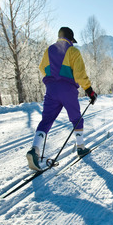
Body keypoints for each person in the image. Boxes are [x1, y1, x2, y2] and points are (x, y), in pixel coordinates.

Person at [26, 27, 97, 171]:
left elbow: (42, 67)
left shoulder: (49, 50)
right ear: (70, 39)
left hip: (51, 90)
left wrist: (52, 78)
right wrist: (89, 90)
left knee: (46, 120)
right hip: (67, 89)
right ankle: (81, 147)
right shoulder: (73, 51)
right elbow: (79, 74)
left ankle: (34, 150)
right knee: (76, 118)